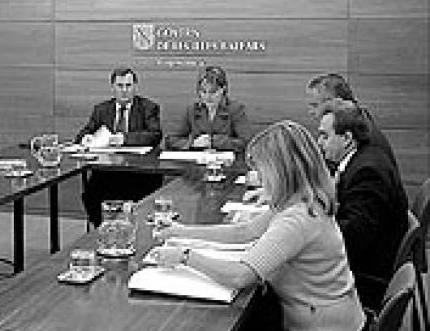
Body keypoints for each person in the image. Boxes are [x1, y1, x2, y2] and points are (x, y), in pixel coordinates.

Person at [155, 120, 366, 331]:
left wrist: (185, 256)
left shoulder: (298, 218)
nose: (259, 177)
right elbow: (245, 231)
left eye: (261, 169)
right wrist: (180, 231)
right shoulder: (301, 200)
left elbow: (240, 275)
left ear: (280, 170)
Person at [317, 104, 408, 311]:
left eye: (324, 136)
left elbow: (352, 237)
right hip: (366, 259)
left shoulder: (367, 172)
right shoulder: (362, 158)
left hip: (364, 277)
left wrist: (307, 228)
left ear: (347, 139)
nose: (319, 143)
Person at [75, 67, 163, 226]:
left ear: (135, 86)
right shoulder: (101, 110)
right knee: (91, 194)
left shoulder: (148, 107)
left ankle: (135, 229)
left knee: (141, 196)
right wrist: (85, 138)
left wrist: (125, 138)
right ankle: (102, 229)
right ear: (113, 87)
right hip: (107, 171)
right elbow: (84, 133)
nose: (124, 90)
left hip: (139, 172)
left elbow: (154, 135)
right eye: (120, 85)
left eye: (128, 85)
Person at [306, 73, 396, 169]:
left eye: (315, 105)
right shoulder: (362, 124)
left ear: (336, 102)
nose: (310, 112)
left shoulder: (366, 136)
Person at [165, 65, 250, 152]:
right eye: (203, 92)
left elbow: (246, 142)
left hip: (226, 159)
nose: (208, 97)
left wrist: (214, 141)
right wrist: (193, 143)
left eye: (213, 92)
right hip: (198, 158)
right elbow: (171, 140)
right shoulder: (192, 110)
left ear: (223, 89)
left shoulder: (236, 109)